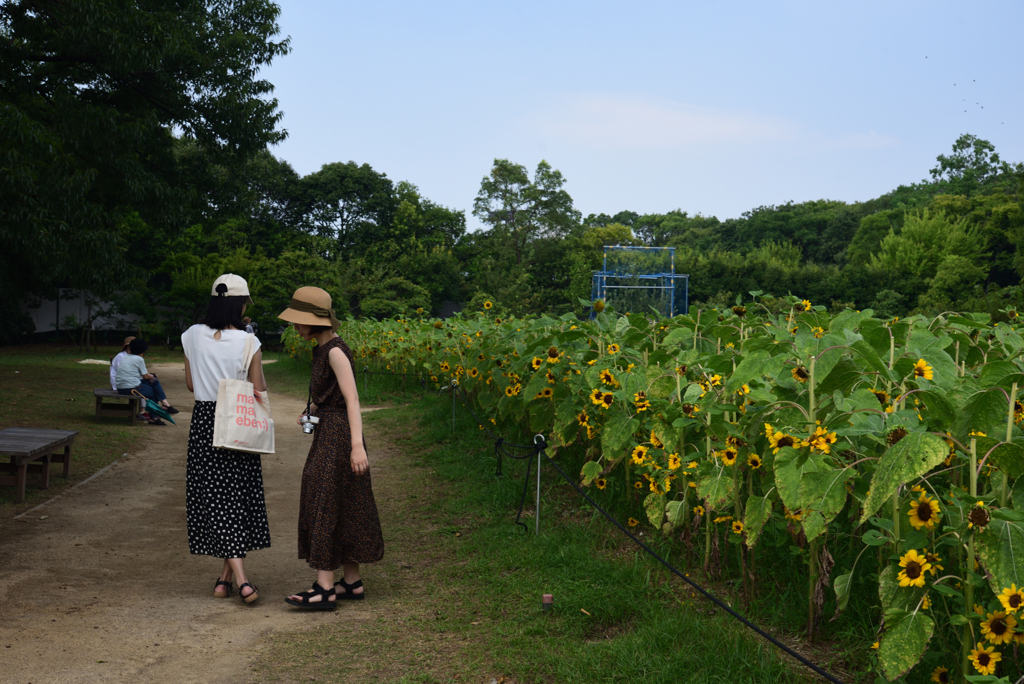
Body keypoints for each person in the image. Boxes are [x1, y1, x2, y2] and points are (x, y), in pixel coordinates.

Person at [278, 286, 384, 610]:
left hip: (339, 437)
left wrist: (357, 446)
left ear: (317, 320)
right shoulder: (322, 349)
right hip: (330, 431)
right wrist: (312, 411)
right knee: (345, 501)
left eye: (299, 320)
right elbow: (333, 396)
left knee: (323, 499)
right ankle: (351, 582)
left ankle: (324, 588)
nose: (295, 326)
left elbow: (352, 399)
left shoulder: (335, 351)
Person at [181, 273, 270, 604]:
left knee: (218, 498)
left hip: (204, 421)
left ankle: (224, 580)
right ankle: (243, 582)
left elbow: (191, 385)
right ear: (240, 304)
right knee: (234, 498)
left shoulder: (191, 335)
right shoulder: (249, 342)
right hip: (236, 420)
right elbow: (259, 388)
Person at [114, 337, 178, 424]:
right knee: (153, 391)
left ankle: (165, 404)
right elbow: (145, 376)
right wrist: (152, 375)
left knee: (154, 381)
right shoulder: (139, 359)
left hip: (121, 387)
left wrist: (151, 377)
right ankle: (155, 417)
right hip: (131, 388)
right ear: (143, 351)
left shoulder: (126, 357)